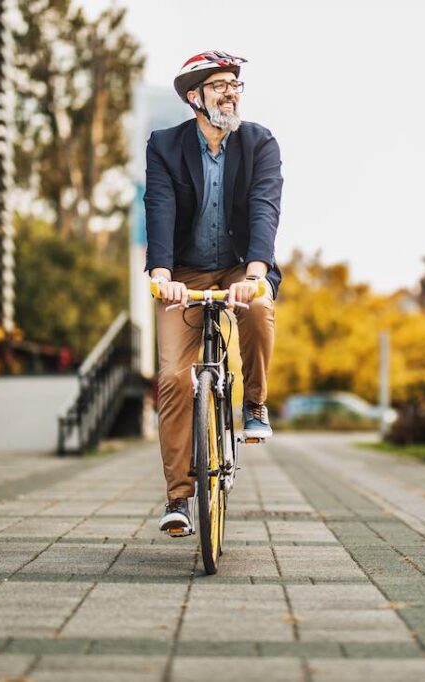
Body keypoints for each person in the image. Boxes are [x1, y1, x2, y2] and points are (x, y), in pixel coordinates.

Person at [144, 51, 283, 535]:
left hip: (240, 267)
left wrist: (257, 272)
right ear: (194, 98)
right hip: (183, 271)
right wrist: (162, 274)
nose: (230, 92)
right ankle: (179, 500)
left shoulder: (260, 142)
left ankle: (255, 404)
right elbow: (158, 207)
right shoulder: (164, 145)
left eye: (235, 85)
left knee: (259, 307)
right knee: (174, 378)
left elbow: (265, 206)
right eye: (219, 85)